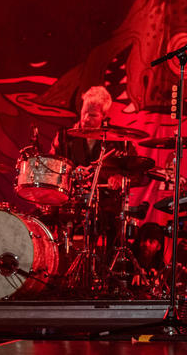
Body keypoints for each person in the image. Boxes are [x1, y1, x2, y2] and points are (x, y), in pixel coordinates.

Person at [50, 86, 134, 253]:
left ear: (104, 117)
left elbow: (138, 171)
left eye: (93, 115)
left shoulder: (118, 141)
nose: (86, 119)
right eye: (84, 113)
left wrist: (120, 177)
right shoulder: (64, 137)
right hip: (70, 204)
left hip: (105, 208)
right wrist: (70, 172)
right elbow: (52, 168)